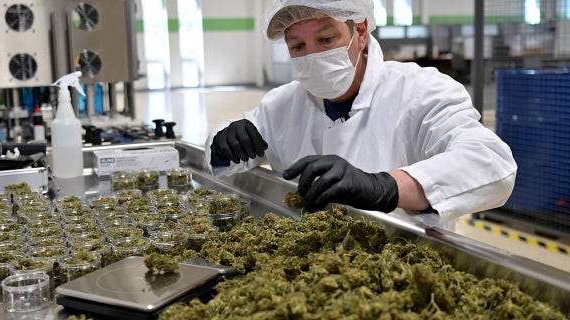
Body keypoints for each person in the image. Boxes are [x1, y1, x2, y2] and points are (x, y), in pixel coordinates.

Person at [205, 0, 517, 229]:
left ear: (361, 31)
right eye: (298, 46)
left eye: (327, 40)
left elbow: (491, 162)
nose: (312, 56)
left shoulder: (421, 90)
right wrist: (223, 141)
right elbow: (224, 154)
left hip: (400, 261)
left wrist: (385, 187)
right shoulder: (281, 104)